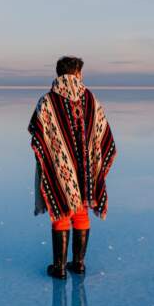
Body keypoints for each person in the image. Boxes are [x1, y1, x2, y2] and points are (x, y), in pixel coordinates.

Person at [28, 56, 117, 279]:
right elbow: (102, 132)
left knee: (60, 209)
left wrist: (55, 158)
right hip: (85, 168)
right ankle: (78, 264)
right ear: (76, 73)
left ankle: (58, 268)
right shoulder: (90, 99)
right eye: (81, 73)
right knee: (81, 211)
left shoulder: (47, 101)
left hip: (59, 167)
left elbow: (37, 133)